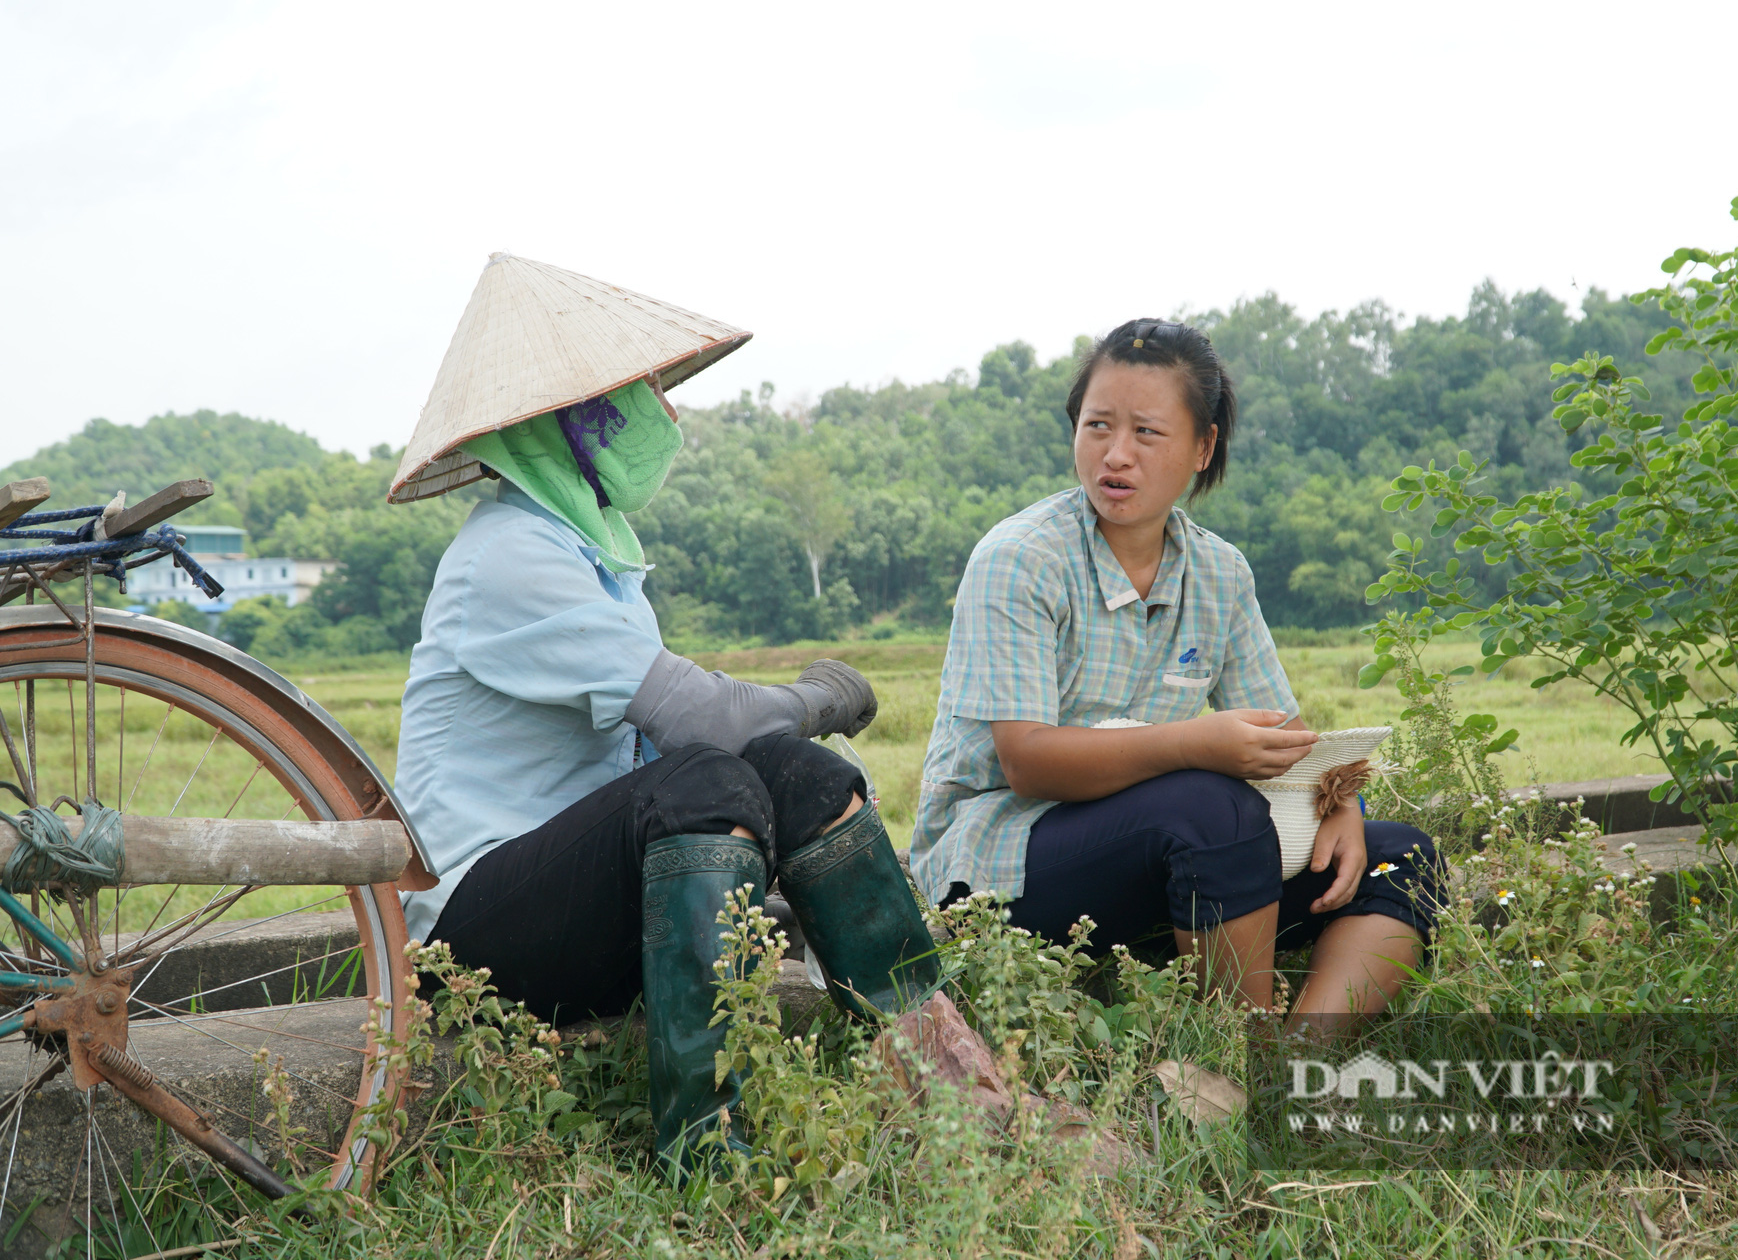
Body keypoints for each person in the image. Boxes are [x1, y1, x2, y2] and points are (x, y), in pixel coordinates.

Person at [387, 253, 939, 1161]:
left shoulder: (594, 562)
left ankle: (948, 1078)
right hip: (472, 939)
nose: (667, 416)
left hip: (576, 902)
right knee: (705, 778)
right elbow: (704, 722)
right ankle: (707, 1147)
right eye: (645, 395)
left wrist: (793, 803)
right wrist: (819, 694)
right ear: (573, 421)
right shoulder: (509, 555)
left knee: (801, 777)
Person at [912, 319, 1445, 1020]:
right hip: (1001, 862)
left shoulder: (1219, 572)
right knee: (1207, 805)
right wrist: (1196, 745)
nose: (1116, 454)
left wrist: (1336, 801)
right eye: (1098, 425)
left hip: (1150, 851)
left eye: (1146, 432)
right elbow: (1029, 762)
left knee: (1399, 855)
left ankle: (1295, 1061)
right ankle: (1234, 1050)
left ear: (1203, 447)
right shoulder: (1021, 559)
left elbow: (1282, 732)